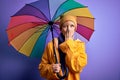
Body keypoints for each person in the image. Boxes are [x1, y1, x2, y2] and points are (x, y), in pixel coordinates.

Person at [39, 15, 87, 80]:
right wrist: (51, 68)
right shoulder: (51, 45)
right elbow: (42, 69)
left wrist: (68, 43)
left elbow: (77, 67)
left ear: (75, 29)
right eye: (65, 26)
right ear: (61, 29)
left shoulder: (79, 45)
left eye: (72, 26)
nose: (68, 29)